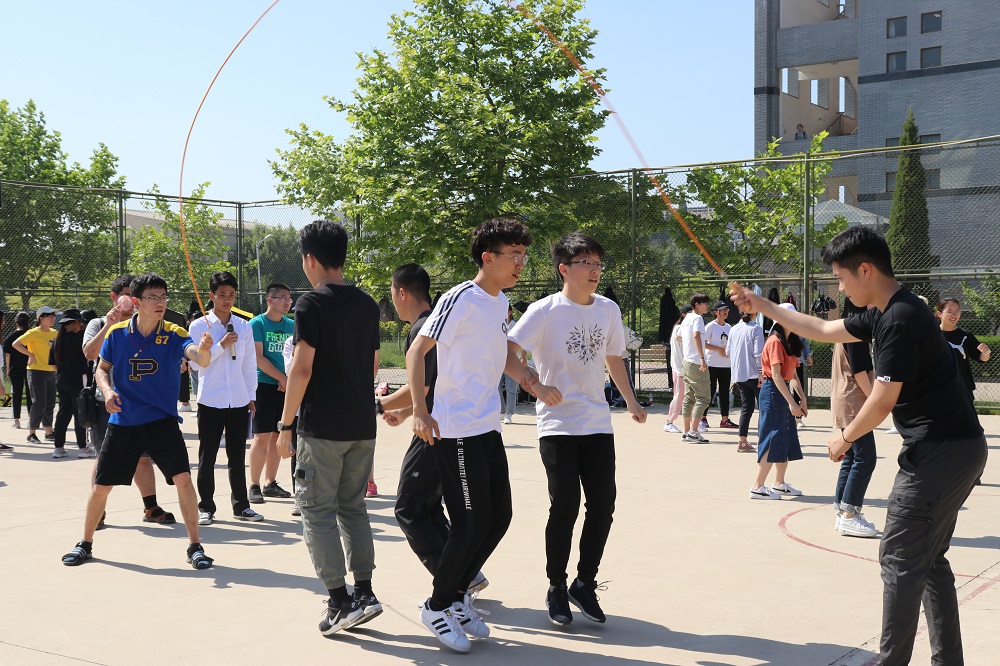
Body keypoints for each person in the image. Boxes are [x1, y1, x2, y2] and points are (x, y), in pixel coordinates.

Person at [730, 226, 987, 665]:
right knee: (929, 561)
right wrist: (765, 305)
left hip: (940, 453)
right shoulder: (885, 311)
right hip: (959, 448)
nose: (841, 288)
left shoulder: (901, 318)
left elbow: (883, 399)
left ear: (865, 270)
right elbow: (822, 328)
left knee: (899, 558)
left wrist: (844, 437)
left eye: (841, 278)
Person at [407, 215, 536, 653]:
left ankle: (458, 595)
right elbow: (417, 350)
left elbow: (502, 355)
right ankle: (437, 605)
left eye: (523, 255)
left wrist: (533, 382)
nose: (520, 263)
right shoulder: (460, 297)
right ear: (488, 257)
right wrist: (420, 411)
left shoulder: (500, 303)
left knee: (499, 518)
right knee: (467, 523)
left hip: (486, 425)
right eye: (514, 255)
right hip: (456, 428)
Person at [507, 232, 647, 627]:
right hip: (557, 425)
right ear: (564, 269)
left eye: (598, 263)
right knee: (565, 506)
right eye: (587, 263)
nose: (595, 270)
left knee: (603, 506)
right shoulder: (544, 310)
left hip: (597, 422)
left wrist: (631, 401)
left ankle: (584, 583)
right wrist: (535, 385)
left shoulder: (608, 309)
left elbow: (613, 357)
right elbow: (508, 351)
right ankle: (556, 585)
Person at [60, 272, 216, 569]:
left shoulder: (174, 332)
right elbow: (101, 369)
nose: (160, 303)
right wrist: (107, 391)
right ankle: (85, 543)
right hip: (124, 421)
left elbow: (199, 358)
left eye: (163, 297)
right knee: (101, 486)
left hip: (162, 421)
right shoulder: (117, 333)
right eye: (152, 297)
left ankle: (195, 546)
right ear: (137, 302)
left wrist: (205, 350)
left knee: (183, 480)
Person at [274, 220, 383, 636]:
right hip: (361, 423)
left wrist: (285, 424)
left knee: (317, 511)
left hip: (322, 426)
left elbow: (301, 369)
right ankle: (365, 592)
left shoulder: (310, 305)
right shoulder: (366, 303)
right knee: (353, 507)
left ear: (309, 259)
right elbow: (373, 365)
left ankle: (339, 601)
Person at [380, 263, 490, 596]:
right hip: (447, 426)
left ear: (402, 293)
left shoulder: (423, 329)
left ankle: (453, 582)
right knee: (428, 507)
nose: (392, 301)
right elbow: (432, 388)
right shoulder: (441, 324)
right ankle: (467, 574)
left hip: (436, 431)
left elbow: (424, 387)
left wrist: (379, 405)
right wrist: (407, 411)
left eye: (391, 294)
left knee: (408, 509)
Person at [83, 274, 173, 526]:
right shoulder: (99, 323)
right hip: (107, 402)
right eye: (126, 294)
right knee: (104, 458)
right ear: (114, 297)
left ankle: (151, 507)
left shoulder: (147, 324)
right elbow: (89, 354)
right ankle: (98, 511)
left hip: (139, 403)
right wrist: (109, 326)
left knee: (143, 457)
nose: (131, 300)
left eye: (135, 295)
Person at [188, 271, 262, 525]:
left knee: (236, 455)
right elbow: (197, 364)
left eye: (231, 294)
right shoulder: (199, 326)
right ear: (211, 296)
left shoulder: (243, 326)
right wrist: (220, 345)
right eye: (222, 295)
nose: (227, 299)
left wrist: (251, 396)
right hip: (211, 399)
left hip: (238, 399)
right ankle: (206, 507)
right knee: (207, 455)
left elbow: (249, 364)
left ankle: (241, 506)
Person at [831, 298, 878, 538]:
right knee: (865, 458)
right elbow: (860, 372)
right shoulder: (856, 332)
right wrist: (875, 400)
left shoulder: (847, 329)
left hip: (846, 400)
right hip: (854, 402)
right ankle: (850, 515)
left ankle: (842, 513)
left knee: (851, 457)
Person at [750, 304, 806, 499]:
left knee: (784, 437)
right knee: (772, 438)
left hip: (782, 392)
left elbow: (794, 375)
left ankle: (779, 484)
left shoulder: (789, 341)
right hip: (773, 393)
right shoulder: (775, 341)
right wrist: (792, 402)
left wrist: (802, 398)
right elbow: (776, 375)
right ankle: (757, 487)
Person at [248, 282, 295, 504]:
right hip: (264, 385)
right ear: (270, 300)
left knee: (278, 435)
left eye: (289, 298)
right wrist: (281, 377)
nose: (287, 302)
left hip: (286, 386)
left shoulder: (292, 325)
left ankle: (270, 483)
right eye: (282, 298)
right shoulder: (257, 324)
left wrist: (288, 380)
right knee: (262, 436)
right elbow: (258, 358)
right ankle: (254, 485)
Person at [12, 305, 58, 444]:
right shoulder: (33, 332)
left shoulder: (55, 333)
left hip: (51, 371)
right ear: (41, 318)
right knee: (39, 403)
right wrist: (30, 354)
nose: (53, 318)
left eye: (53, 316)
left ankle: (48, 432)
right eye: (49, 316)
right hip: (36, 371)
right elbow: (16, 344)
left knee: (50, 403)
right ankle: (31, 433)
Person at [51, 308, 90, 458]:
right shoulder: (80, 337)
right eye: (79, 321)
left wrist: (63, 374)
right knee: (80, 412)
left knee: (63, 413)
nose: (81, 324)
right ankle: (83, 448)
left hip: (61, 379)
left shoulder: (57, 339)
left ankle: (58, 448)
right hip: (77, 380)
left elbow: (52, 363)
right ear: (74, 322)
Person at [936, 297, 991, 399]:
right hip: (938, 389)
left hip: (963, 388)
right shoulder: (932, 336)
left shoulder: (965, 335)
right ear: (939, 314)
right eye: (949, 312)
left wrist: (986, 352)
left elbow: (982, 358)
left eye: (957, 311)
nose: (954, 315)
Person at [726, 309, 765, 453]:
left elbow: (728, 352)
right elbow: (758, 353)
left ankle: (742, 441)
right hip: (754, 373)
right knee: (763, 408)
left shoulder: (734, 329)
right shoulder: (756, 329)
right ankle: (762, 442)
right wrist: (761, 372)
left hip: (740, 374)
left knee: (746, 407)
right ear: (755, 313)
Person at [679, 294, 711, 443]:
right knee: (703, 398)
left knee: (689, 398)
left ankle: (687, 432)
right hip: (696, 362)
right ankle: (693, 432)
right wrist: (702, 358)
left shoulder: (686, 319)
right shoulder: (698, 318)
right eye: (705, 303)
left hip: (686, 362)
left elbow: (680, 337)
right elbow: (696, 336)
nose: (707, 306)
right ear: (697, 304)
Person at [705, 301, 738, 429]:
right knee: (710, 392)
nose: (725, 312)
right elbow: (703, 343)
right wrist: (719, 349)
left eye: (727, 310)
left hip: (726, 365)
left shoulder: (729, 328)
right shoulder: (710, 326)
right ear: (715, 312)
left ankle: (725, 420)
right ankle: (703, 418)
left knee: (724, 393)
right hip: (712, 364)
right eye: (722, 310)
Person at [662, 305, 692, 433]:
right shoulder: (679, 328)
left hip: (687, 368)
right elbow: (681, 338)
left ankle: (693, 423)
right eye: (690, 313)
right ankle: (669, 422)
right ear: (684, 315)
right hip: (680, 369)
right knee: (679, 395)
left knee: (690, 396)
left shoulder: (684, 328)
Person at [3, 312, 33, 430]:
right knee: (30, 393)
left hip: (15, 368)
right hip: (30, 366)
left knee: (16, 392)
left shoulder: (10, 336)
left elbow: (8, 355)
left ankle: (16, 420)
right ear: (28, 322)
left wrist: (8, 369)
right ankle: (31, 419)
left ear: (16, 322)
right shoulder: (31, 334)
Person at [499, 304, 520, 424]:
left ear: (510, 312)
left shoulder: (516, 325)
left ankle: (509, 414)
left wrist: (523, 358)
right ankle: (502, 411)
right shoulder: (497, 323)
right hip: (499, 359)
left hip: (512, 360)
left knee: (511, 388)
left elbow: (522, 342)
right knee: (496, 387)